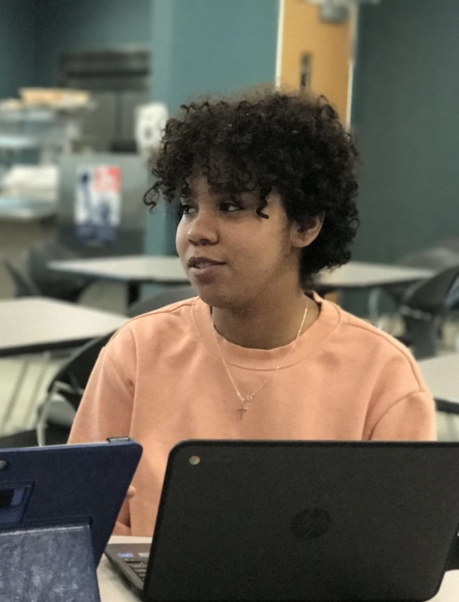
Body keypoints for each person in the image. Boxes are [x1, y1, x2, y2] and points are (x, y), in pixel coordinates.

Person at [69, 90, 436, 536]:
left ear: (305, 225)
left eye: (230, 206)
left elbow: (394, 554)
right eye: (188, 208)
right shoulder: (137, 353)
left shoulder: (383, 377)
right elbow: (78, 527)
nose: (198, 232)